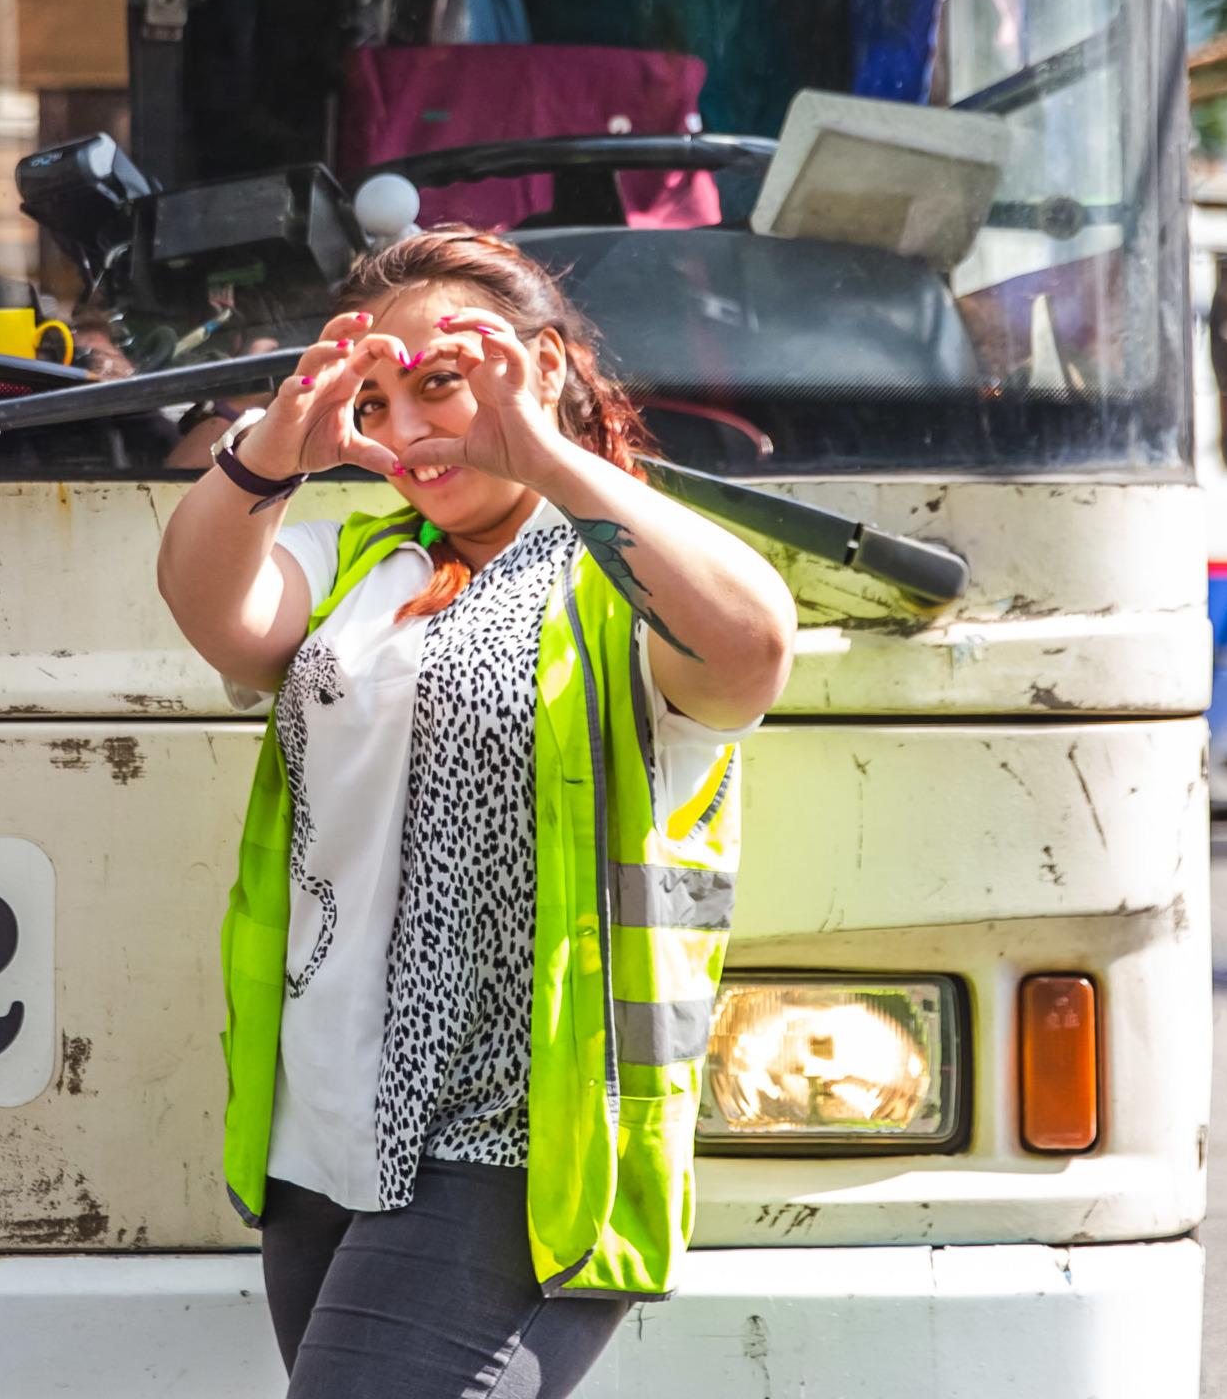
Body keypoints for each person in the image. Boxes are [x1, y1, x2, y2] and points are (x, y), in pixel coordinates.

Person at [155, 230, 796, 1399]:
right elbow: (210, 608)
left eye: (437, 386)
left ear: (540, 365)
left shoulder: (620, 572)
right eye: (375, 400)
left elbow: (751, 644)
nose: (405, 435)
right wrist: (271, 452)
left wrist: (546, 457)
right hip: (325, 1139)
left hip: (518, 1144)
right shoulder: (356, 563)